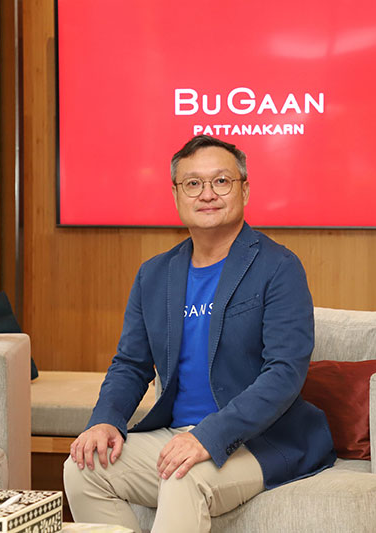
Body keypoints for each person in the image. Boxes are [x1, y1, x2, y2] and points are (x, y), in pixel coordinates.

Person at [63, 135, 335, 532]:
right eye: (193, 183)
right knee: (83, 468)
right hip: (176, 434)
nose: (207, 194)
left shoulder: (278, 267)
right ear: (176, 195)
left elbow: (284, 373)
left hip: (260, 441)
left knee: (183, 474)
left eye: (221, 181)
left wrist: (209, 436)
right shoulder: (154, 274)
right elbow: (131, 365)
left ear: (244, 189)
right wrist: (105, 420)